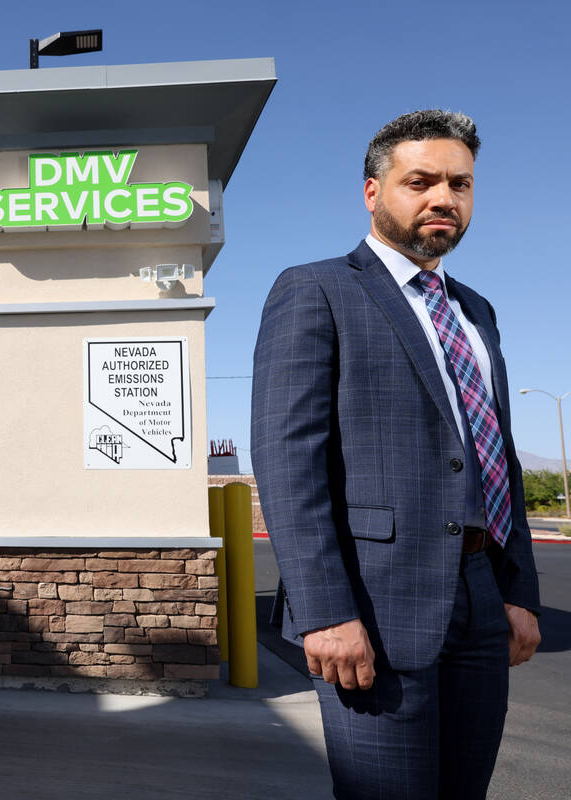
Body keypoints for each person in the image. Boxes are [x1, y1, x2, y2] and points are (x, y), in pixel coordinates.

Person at [250, 110, 541, 799]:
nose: (444, 197)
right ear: (374, 192)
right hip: (371, 607)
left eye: (460, 184)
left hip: (480, 595)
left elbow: (497, 457)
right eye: (422, 181)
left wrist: (519, 590)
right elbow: (289, 459)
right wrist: (325, 612)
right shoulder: (316, 288)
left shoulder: (477, 312)